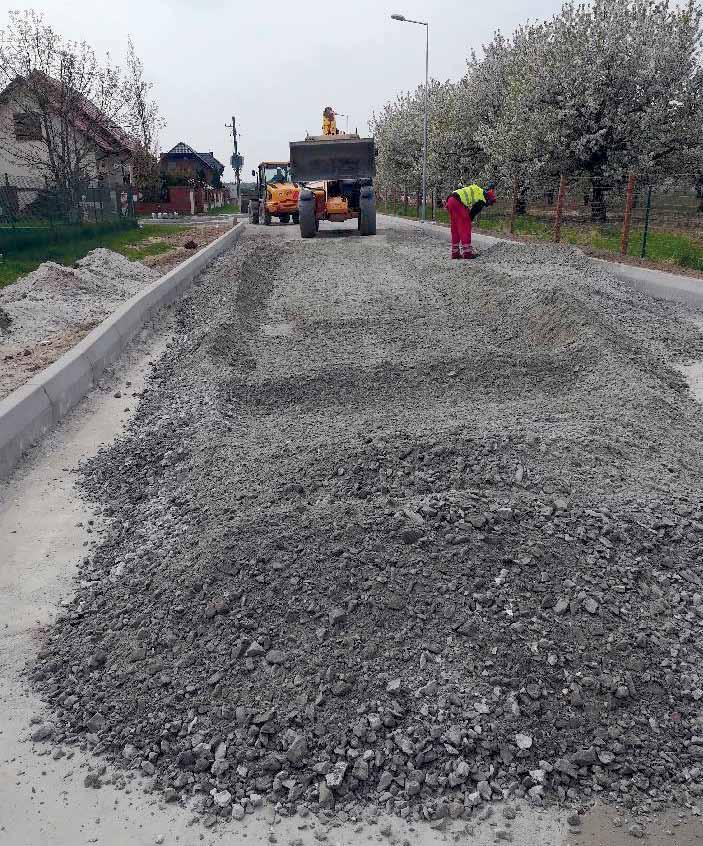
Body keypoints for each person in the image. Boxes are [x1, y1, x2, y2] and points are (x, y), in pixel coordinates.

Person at [445, 183, 497, 259]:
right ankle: (467, 253)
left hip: (451, 200)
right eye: (490, 203)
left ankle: (455, 252)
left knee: (455, 228)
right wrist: (468, 220)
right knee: (465, 228)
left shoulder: (478, 191)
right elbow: (473, 213)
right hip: (457, 202)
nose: (488, 205)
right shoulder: (482, 199)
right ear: (488, 199)